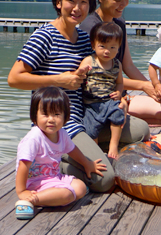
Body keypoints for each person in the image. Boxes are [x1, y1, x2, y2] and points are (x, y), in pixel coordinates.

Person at [8, 0, 150, 193]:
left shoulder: (84, 39)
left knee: (141, 130)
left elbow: (103, 76)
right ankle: (52, 161)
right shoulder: (44, 36)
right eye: (71, 0)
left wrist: (119, 96)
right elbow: (14, 78)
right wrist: (58, 80)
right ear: (58, 2)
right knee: (104, 181)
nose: (77, 7)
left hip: (89, 116)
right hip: (61, 124)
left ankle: (86, 151)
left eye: (83, 2)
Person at [79, 0, 161, 125]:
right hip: (99, 102)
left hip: (121, 96)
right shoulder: (89, 27)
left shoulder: (119, 23)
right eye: (117, 0)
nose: (123, 4)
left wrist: (152, 89)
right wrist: (142, 86)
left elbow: (128, 65)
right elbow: (98, 74)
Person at [15, 86, 107, 220]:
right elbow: (24, 165)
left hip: (53, 176)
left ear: (65, 117)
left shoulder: (62, 133)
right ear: (35, 116)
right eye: (45, 114)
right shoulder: (34, 138)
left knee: (80, 188)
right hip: (35, 182)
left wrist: (88, 164)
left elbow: (72, 150)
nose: (51, 119)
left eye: (56, 114)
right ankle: (30, 201)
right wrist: (22, 191)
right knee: (67, 195)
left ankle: (51, 197)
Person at [79, 22, 127, 159]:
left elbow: (119, 82)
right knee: (90, 129)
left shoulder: (117, 64)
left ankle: (113, 144)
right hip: (91, 103)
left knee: (118, 116)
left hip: (108, 100)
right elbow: (79, 75)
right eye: (102, 46)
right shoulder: (89, 61)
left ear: (118, 48)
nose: (107, 51)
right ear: (93, 45)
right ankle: (96, 150)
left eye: (113, 47)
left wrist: (119, 93)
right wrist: (80, 73)